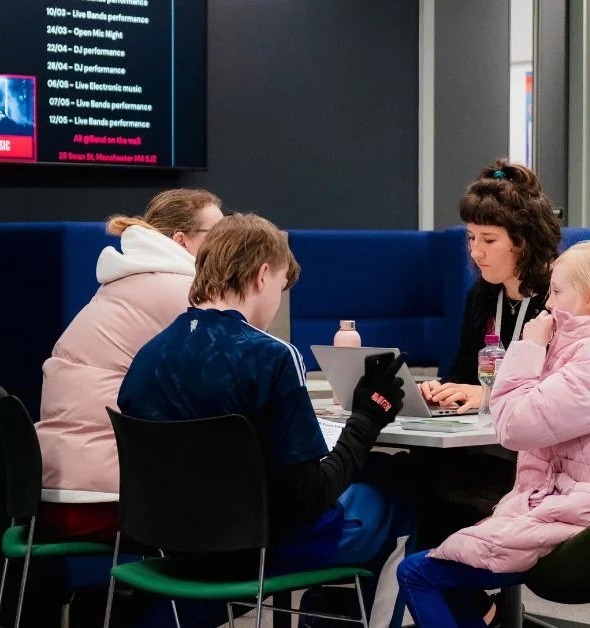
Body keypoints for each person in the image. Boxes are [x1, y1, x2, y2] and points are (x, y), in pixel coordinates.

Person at [117, 213, 416, 626]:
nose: (276, 300)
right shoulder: (272, 356)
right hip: (263, 548)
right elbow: (308, 497)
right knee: (402, 491)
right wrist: (368, 417)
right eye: (279, 285)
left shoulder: (146, 356)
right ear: (261, 276)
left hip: (172, 546)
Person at [397, 241, 590, 628]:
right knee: (443, 560)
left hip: (588, 516)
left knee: (417, 573)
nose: (547, 305)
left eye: (557, 292)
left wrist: (529, 346)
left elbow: (512, 427)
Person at [34, 188, 224, 541]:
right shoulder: (183, 292)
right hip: (111, 503)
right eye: (219, 236)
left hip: (57, 495)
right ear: (181, 241)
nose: (228, 247)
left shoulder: (124, 283)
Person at [417, 159, 563, 414]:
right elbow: (462, 373)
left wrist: (487, 393)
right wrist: (441, 392)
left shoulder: (562, 298)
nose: (475, 252)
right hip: (480, 436)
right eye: (472, 238)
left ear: (525, 241)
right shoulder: (482, 295)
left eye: (489, 240)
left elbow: (565, 391)